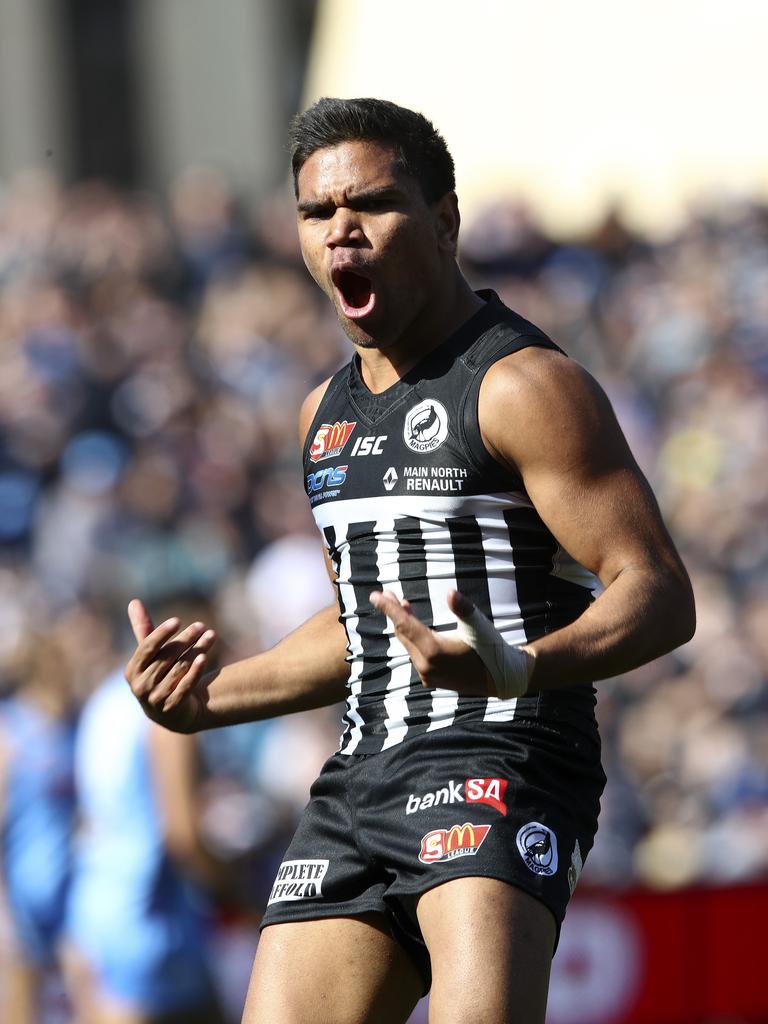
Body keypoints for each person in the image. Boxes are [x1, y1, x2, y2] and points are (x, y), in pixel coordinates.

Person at [124, 97, 696, 1024]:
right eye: (316, 214)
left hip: (500, 761)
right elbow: (370, 624)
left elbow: (661, 595)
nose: (341, 233)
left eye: (372, 206)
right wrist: (210, 700)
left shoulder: (524, 386)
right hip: (360, 780)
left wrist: (520, 665)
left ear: (444, 221)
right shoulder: (324, 415)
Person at [64, 604, 228, 1024]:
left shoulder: (102, 699)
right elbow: (183, 836)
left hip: (94, 912)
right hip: (152, 925)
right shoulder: (167, 708)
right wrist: (241, 894)